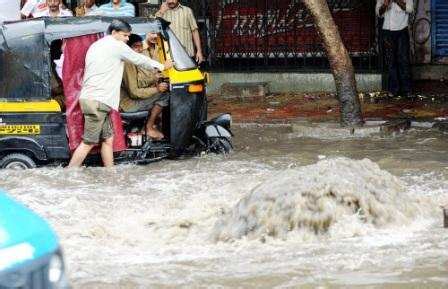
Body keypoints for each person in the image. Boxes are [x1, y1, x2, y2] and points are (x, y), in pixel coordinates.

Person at [67, 19, 172, 168]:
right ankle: (69, 173)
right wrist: (162, 65)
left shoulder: (96, 45)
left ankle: (111, 174)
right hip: (98, 101)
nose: (127, 39)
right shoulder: (116, 46)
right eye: (125, 35)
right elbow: (138, 59)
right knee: (88, 142)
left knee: (107, 140)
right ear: (114, 32)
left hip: (96, 100)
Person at [120, 33, 169, 140]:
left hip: (130, 100)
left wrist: (154, 78)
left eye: (140, 46)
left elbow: (140, 81)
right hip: (128, 105)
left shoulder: (135, 60)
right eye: (135, 47)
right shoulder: (128, 63)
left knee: (160, 91)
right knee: (164, 95)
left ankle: (149, 125)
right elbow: (134, 92)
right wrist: (156, 89)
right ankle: (148, 127)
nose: (139, 49)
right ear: (128, 48)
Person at [376, 0, 414, 97]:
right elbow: (378, 13)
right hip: (387, 31)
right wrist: (385, 4)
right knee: (391, 61)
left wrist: (397, 1)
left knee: (403, 60)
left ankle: (407, 90)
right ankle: (393, 90)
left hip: (402, 30)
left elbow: (410, 9)